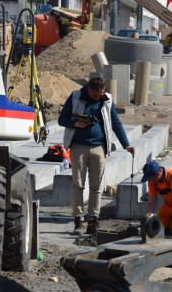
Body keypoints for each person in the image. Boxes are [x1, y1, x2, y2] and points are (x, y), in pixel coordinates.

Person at [58, 77, 135, 235]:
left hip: (99, 147)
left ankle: (93, 220)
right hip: (78, 147)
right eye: (95, 95)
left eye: (101, 94)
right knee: (78, 184)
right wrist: (75, 124)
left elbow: (116, 122)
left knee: (96, 185)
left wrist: (126, 144)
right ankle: (78, 221)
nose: (98, 97)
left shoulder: (106, 100)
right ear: (89, 90)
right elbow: (61, 119)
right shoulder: (75, 97)